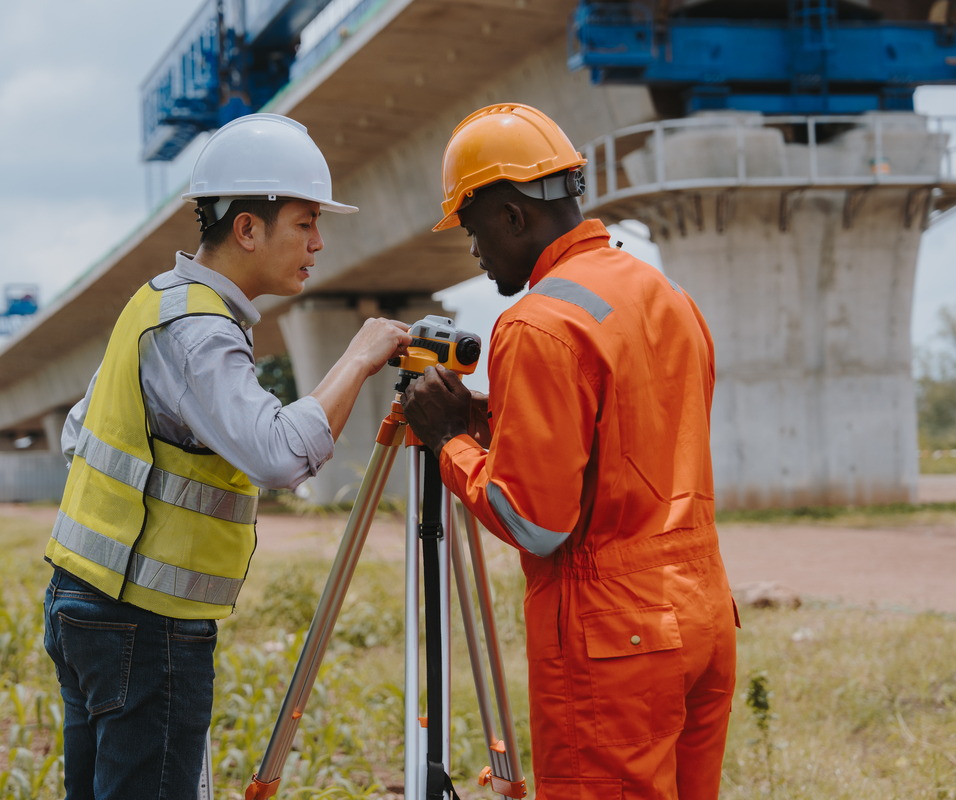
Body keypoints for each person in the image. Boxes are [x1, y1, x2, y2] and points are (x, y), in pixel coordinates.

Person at [42, 113, 412, 799]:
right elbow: (277, 455)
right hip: (142, 622)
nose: (319, 242)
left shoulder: (157, 304)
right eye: (305, 223)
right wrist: (358, 358)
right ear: (247, 228)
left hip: (83, 602)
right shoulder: (201, 330)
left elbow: (78, 434)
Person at [401, 104, 738, 800]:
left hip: (618, 643)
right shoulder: (668, 297)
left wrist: (450, 442)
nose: (474, 251)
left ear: (513, 216)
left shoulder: (537, 322)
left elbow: (536, 523)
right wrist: (491, 418)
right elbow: (625, 433)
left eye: (473, 228)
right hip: (701, 615)